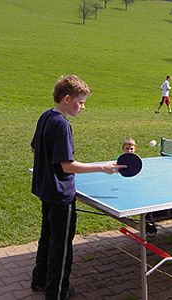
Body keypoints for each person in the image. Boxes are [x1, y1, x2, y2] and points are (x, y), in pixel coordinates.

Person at [30, 74, 125, 300]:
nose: (82, 107)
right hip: (61, 195)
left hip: (45, 190)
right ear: (66, 98)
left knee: (47, 237)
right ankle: (57, 292)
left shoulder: (45, 116)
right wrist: (103, 168)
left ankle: (39, 280)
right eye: (80, 102)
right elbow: (67, 166)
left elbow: (34, 149)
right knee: (61, 246)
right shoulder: (62, 125)